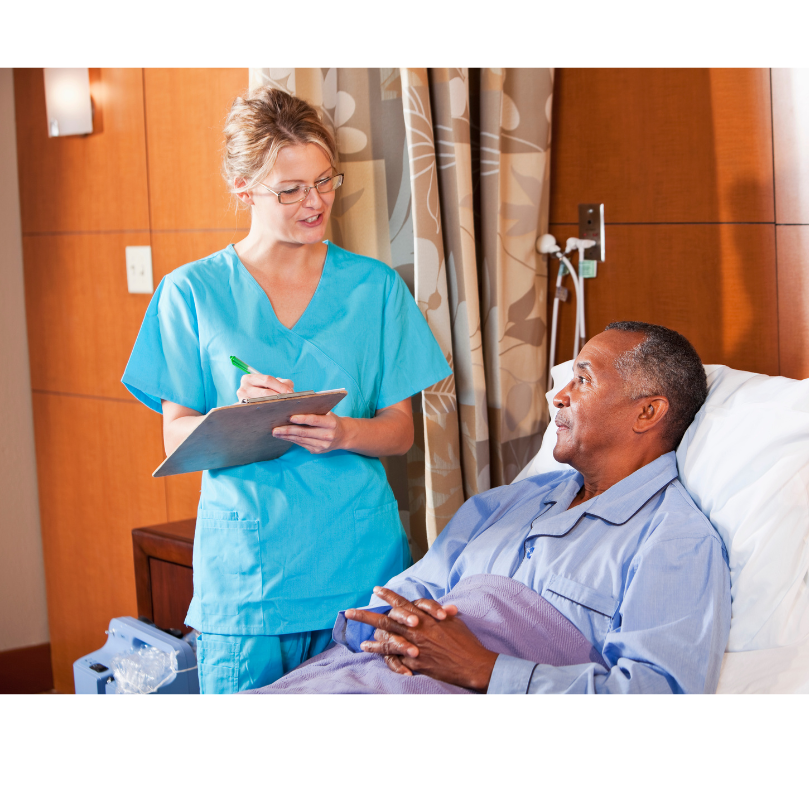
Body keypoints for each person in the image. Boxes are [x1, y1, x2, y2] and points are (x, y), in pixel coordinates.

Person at [121, 86, 452, 693]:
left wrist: (344, 431)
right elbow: (175, 433)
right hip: (248, 583)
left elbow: (400, 431)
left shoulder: (375, 289)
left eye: (325, 181)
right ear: (244, 189)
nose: (315, 202)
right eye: (292, 189)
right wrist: (235, 414)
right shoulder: (190, 292)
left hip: (358, 569)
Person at [256, 321, 731, 694]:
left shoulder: (674, 542)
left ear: (648, 412)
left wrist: (483, 669)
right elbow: (399, 598)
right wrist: (398, 637)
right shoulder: (501, 506)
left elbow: (657, 698)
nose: (559, 396)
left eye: (582, 381)